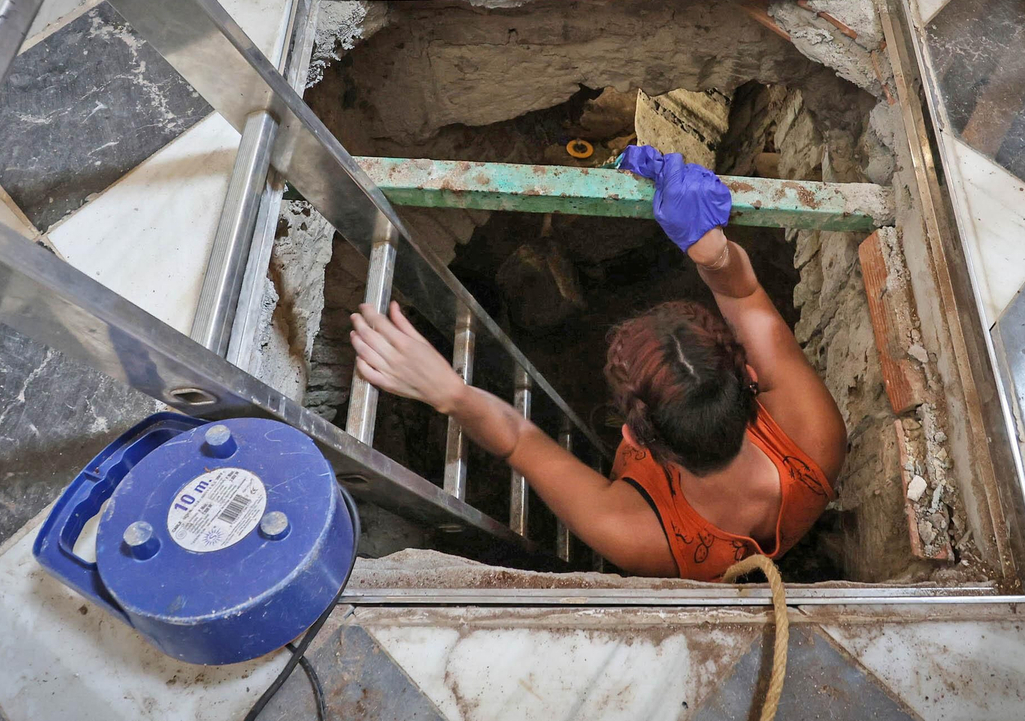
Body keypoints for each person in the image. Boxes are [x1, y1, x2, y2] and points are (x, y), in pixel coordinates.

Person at [348, 145, 846, 580]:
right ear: (751, 377)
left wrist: (450, 393)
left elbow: (522, 442)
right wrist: (712, 253)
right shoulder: (814, 432)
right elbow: (747, 290)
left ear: (633, 438)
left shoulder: (635, 535)